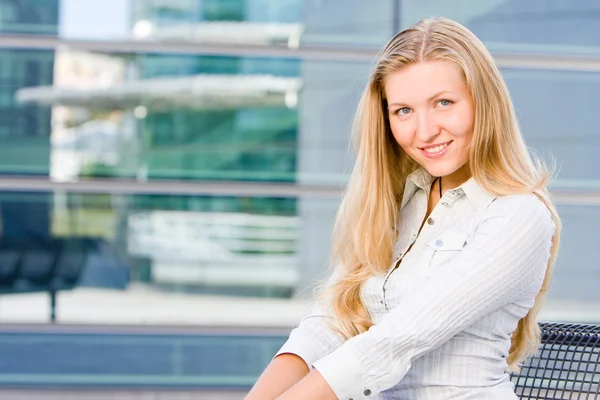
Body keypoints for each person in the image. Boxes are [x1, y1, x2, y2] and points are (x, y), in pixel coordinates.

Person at [246, 16, 561, 400]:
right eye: (404, 111)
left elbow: (393, 341)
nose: (425, 131)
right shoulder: (400, 203)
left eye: (443, 103)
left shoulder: (520, 215)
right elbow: (330, 323)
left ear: (485, 102)